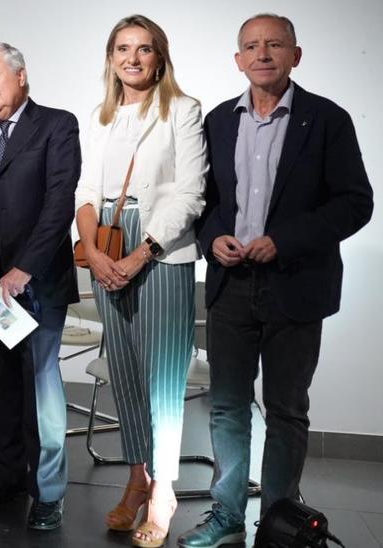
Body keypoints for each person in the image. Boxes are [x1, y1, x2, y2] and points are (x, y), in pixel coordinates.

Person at [180, 14, 374, 548]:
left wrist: (285, 240)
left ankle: (279, 523)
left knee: (287, 408)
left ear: (296, 54)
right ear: (238, 60)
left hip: (296, 284)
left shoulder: (327, 119)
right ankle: (226, 516)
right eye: (251, 46)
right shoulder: (218, 121)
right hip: (230, 284)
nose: (262, 53)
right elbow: (205, 203)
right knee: (226, 405)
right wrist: (211, 237)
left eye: (274, 45)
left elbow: (356, 203)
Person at [73, 15, 207, 548]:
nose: (133, 58)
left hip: (160, 248)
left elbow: (191, 192)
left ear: (160, 57)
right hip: (104, 239)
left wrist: (140, 253)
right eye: (123, 49)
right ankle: (137, 476)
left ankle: (165, 490)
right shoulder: (100, 116)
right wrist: (94, 250)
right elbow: (85, 189)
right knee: (125, 372)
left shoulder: (183, 110)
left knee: (164, 379)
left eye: (144, 49)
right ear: (110, 58)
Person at [0, 42, 81, 530]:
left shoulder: (56, 125)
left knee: (42, 389)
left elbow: (59, 204)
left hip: (37, 283)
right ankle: (6, 479)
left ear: (21, 77)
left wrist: (25, 267)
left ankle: (47, 492)